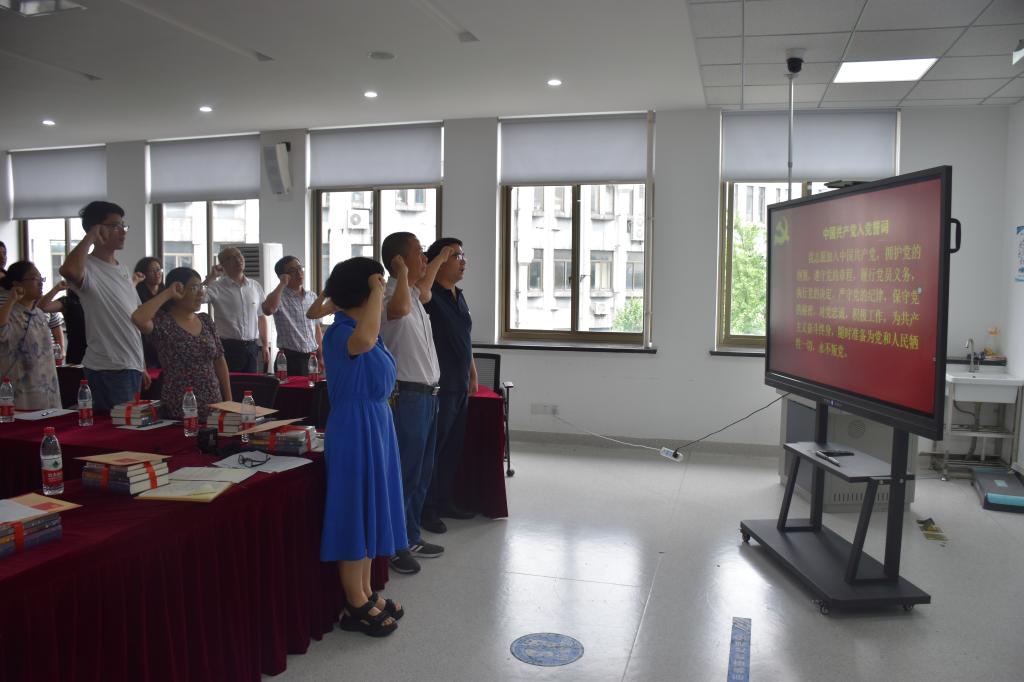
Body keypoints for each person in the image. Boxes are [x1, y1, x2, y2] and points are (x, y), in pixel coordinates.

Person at [318, 257, 407, 638]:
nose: (381, 293)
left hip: (377, 423)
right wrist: (375, 290)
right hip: (354, 428)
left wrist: (374, 292)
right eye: (376, 286)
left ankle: (367, 591)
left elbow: (372, 336)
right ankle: (354, 601)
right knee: (354, 509)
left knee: (371, 508)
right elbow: (365, 341)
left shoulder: (365, 329)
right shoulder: (341, 332)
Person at [379, 231, 454, 574]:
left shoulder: (414, 295)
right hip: (406, 396)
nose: (424, 258)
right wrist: (399, 272)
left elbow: (423, 287)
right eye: (419, 252)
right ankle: (395, 545)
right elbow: (396, 310)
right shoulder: (388, 296)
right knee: (405, 473)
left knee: (422, 473)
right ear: (399, 261)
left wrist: (436, 261)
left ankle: (410, 535)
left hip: (428, 396)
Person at [59, 201, 149, 411]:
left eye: (123, 225)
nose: (123, 231)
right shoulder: (87, 267)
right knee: (118, 428)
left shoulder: (123, 269)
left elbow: (132, 319)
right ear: (97, 229)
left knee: (129, 425)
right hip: (109, 367)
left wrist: (141, 364)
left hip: (130, 364)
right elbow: (68, 270)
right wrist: (91, 236)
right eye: (115, 226)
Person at [421, 238, 478, 533]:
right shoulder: (430, 294)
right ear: (440, 261)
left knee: (452, 448)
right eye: (455, 255)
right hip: (439, 384)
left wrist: (473, 372)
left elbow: (465, 337)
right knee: (435, 449)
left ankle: (444, 501)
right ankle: (427, 508)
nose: (463, 260)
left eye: (462, 254)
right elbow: (421, 293)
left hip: (459, 383)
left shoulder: (459, 295)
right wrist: (438, 258)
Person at [131, 267, 231, 420]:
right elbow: (138, 318)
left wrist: (229, 401)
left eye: (201, 287)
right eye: (194, 288)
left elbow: (219, 361)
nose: (200, 293)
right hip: (179, 403)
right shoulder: (163, 322)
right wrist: (167, 293)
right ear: (178, 290)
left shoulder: (205, 320)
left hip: (213, 401)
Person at [0, 262, 68, 409]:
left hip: (48, 393)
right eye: (34, 278)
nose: (40, 283)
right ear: (17, 284)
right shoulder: (9, 313)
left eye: (40, 278)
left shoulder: (40, 314)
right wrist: (11, 299)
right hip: (21, 396)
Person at [203, 247, 269, 373]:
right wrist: (210, 278)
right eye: (231, 258)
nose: (238, 260)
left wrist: (265, 345)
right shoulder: (217, 287)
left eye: (239, 256)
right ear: (222, 265)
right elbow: (196, 299)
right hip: (228, 347)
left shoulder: (255, 286)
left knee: (251, 383)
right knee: (231, 383)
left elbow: (261, 317)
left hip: (252, 347)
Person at [262, 256, 321, 376]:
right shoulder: (279, 297)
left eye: (300, 268)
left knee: (312, 388)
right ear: (283, 276)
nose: (299, 273)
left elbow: (316, 328)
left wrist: (321, 356)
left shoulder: (312, 296)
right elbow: (268, 309)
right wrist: (282, 284)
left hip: (311, 356)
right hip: (289, 358)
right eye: (293, 271)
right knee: (290, 389)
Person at [133, 257, 164, 368]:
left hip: (163, 339)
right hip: (144, 339)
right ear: (143, 273)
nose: (157, 273)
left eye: (159, 269)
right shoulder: (137, 292)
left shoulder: (165, 291)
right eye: (152, 270)